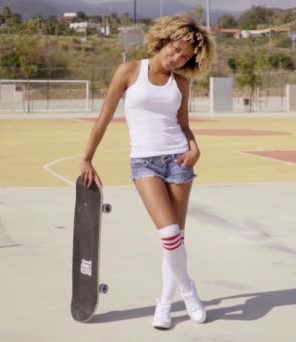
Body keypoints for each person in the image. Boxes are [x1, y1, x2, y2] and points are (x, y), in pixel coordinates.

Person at [80, 15, 216, 329]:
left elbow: (183, 125)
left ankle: (165, 305)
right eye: (175, 49)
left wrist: (195, 148)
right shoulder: (128, 71)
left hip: (178, 161)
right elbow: (104, 117)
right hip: (144, 162)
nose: (177, 58)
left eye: (184, 56)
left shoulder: (181, 81)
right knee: (169, 234)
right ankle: (189, 290)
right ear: (164, 40)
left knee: (176, 238)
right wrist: (87, 158)